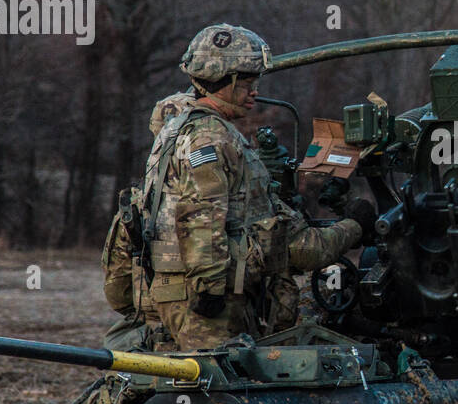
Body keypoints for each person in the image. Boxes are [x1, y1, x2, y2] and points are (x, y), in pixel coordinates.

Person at [142, 23, 375, 349]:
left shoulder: (179, 126)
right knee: (217, 388)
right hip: (204, 299)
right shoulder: (209, 136)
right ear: (224, 81)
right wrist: (209, 290)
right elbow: (200, 213)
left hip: (186, 288)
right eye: (248, 82)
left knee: (193, 383)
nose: (255, 91)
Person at [100, 91, 201, 351]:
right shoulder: (224, 200)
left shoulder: (137, 205)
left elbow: (118, 293)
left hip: (155, 336)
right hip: (214, 333)